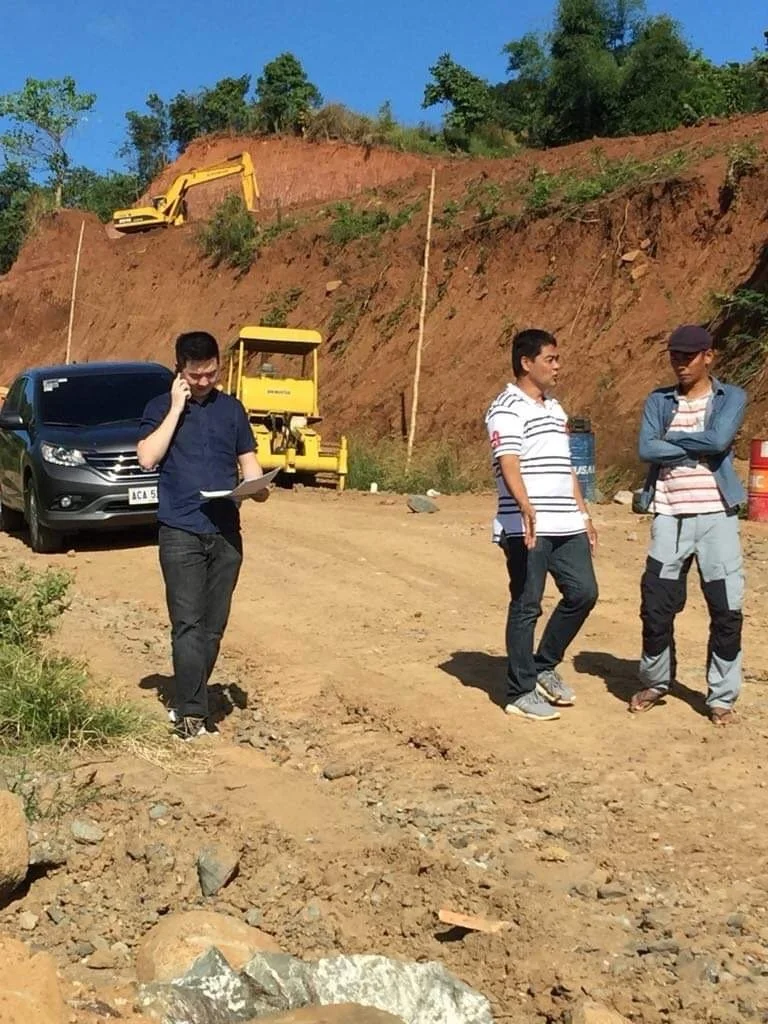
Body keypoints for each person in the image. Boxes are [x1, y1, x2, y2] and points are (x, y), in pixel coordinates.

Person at [137, 331, 266, 740]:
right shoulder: (159, 407)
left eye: (211, 373)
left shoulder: (232, 410)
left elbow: (249, 465)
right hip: (181, 530)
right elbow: (147, 458)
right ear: (180, 371)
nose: (205, 382)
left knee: (213, 626)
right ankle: (192, 712)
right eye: (196, 376)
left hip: (226, 532)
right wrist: (177, 408)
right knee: (187, 624)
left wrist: (257, 487)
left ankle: (192, 693)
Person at [632, 325, 746, 725]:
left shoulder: (731, 396)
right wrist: (698, 439)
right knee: (656, 605)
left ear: (708, 356)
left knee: (726, 608)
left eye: (689, 356)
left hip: (717, 517)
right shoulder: (658, 401)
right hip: (668, 514)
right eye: (675, 355)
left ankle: (721, 697)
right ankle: (655, 681)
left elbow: (720, 442)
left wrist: (674, 440)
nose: (680, 362)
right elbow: (647, 448)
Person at [485, 329, 598, 722]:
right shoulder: (505, 408)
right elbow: (508, 462)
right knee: (527, 604)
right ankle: (519, 691)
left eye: (557, 358)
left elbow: (566, 467)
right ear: (525, 363)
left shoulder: (556, 408)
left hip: (566, 521)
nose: (557, 366)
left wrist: (583, 514)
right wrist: (526, 508)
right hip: (525, 525)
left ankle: (543, 664)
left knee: (583, 592)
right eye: (550, 358)